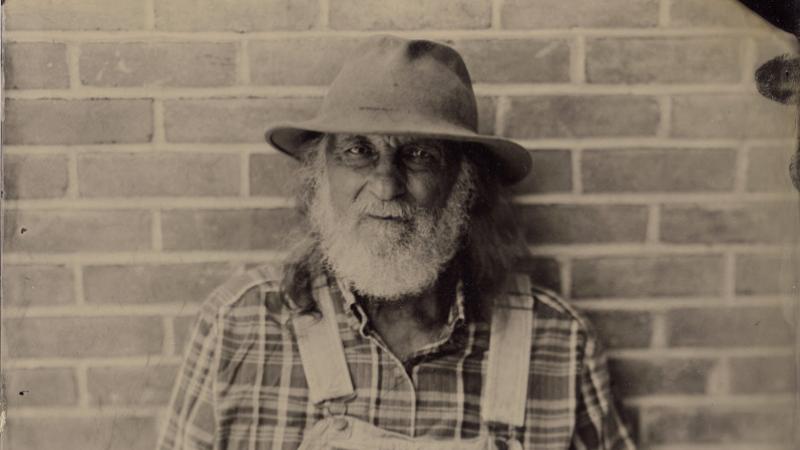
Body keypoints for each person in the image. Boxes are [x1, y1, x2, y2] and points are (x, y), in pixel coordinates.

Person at [158, 35, 636, 450]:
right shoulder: (240, 327)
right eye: (358, 151)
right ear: (320, 174)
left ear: (464, 184)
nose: (386, 185)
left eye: (419, 155)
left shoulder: (558, 343)